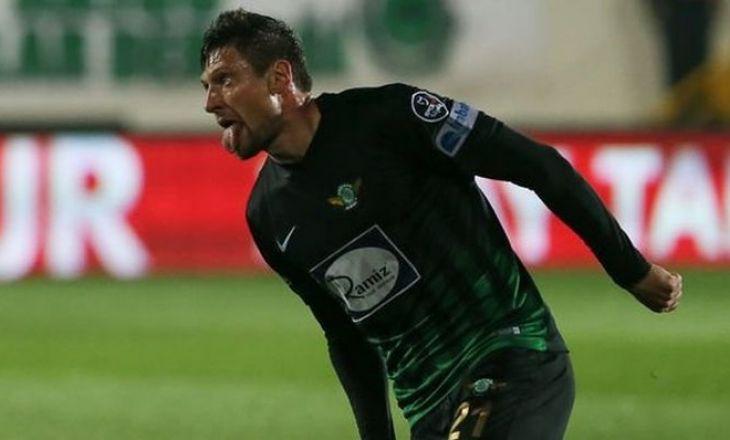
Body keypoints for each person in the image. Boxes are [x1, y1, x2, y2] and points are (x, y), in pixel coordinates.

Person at [199, 9, 683, 440]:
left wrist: (630, 270)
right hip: (430, 411)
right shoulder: (268, 215)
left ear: (279, 78)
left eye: (225, 80)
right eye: (207, 87)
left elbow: (539, 166)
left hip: (511, 354)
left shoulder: (390, 117)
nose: (211, 102)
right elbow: (345, 336)